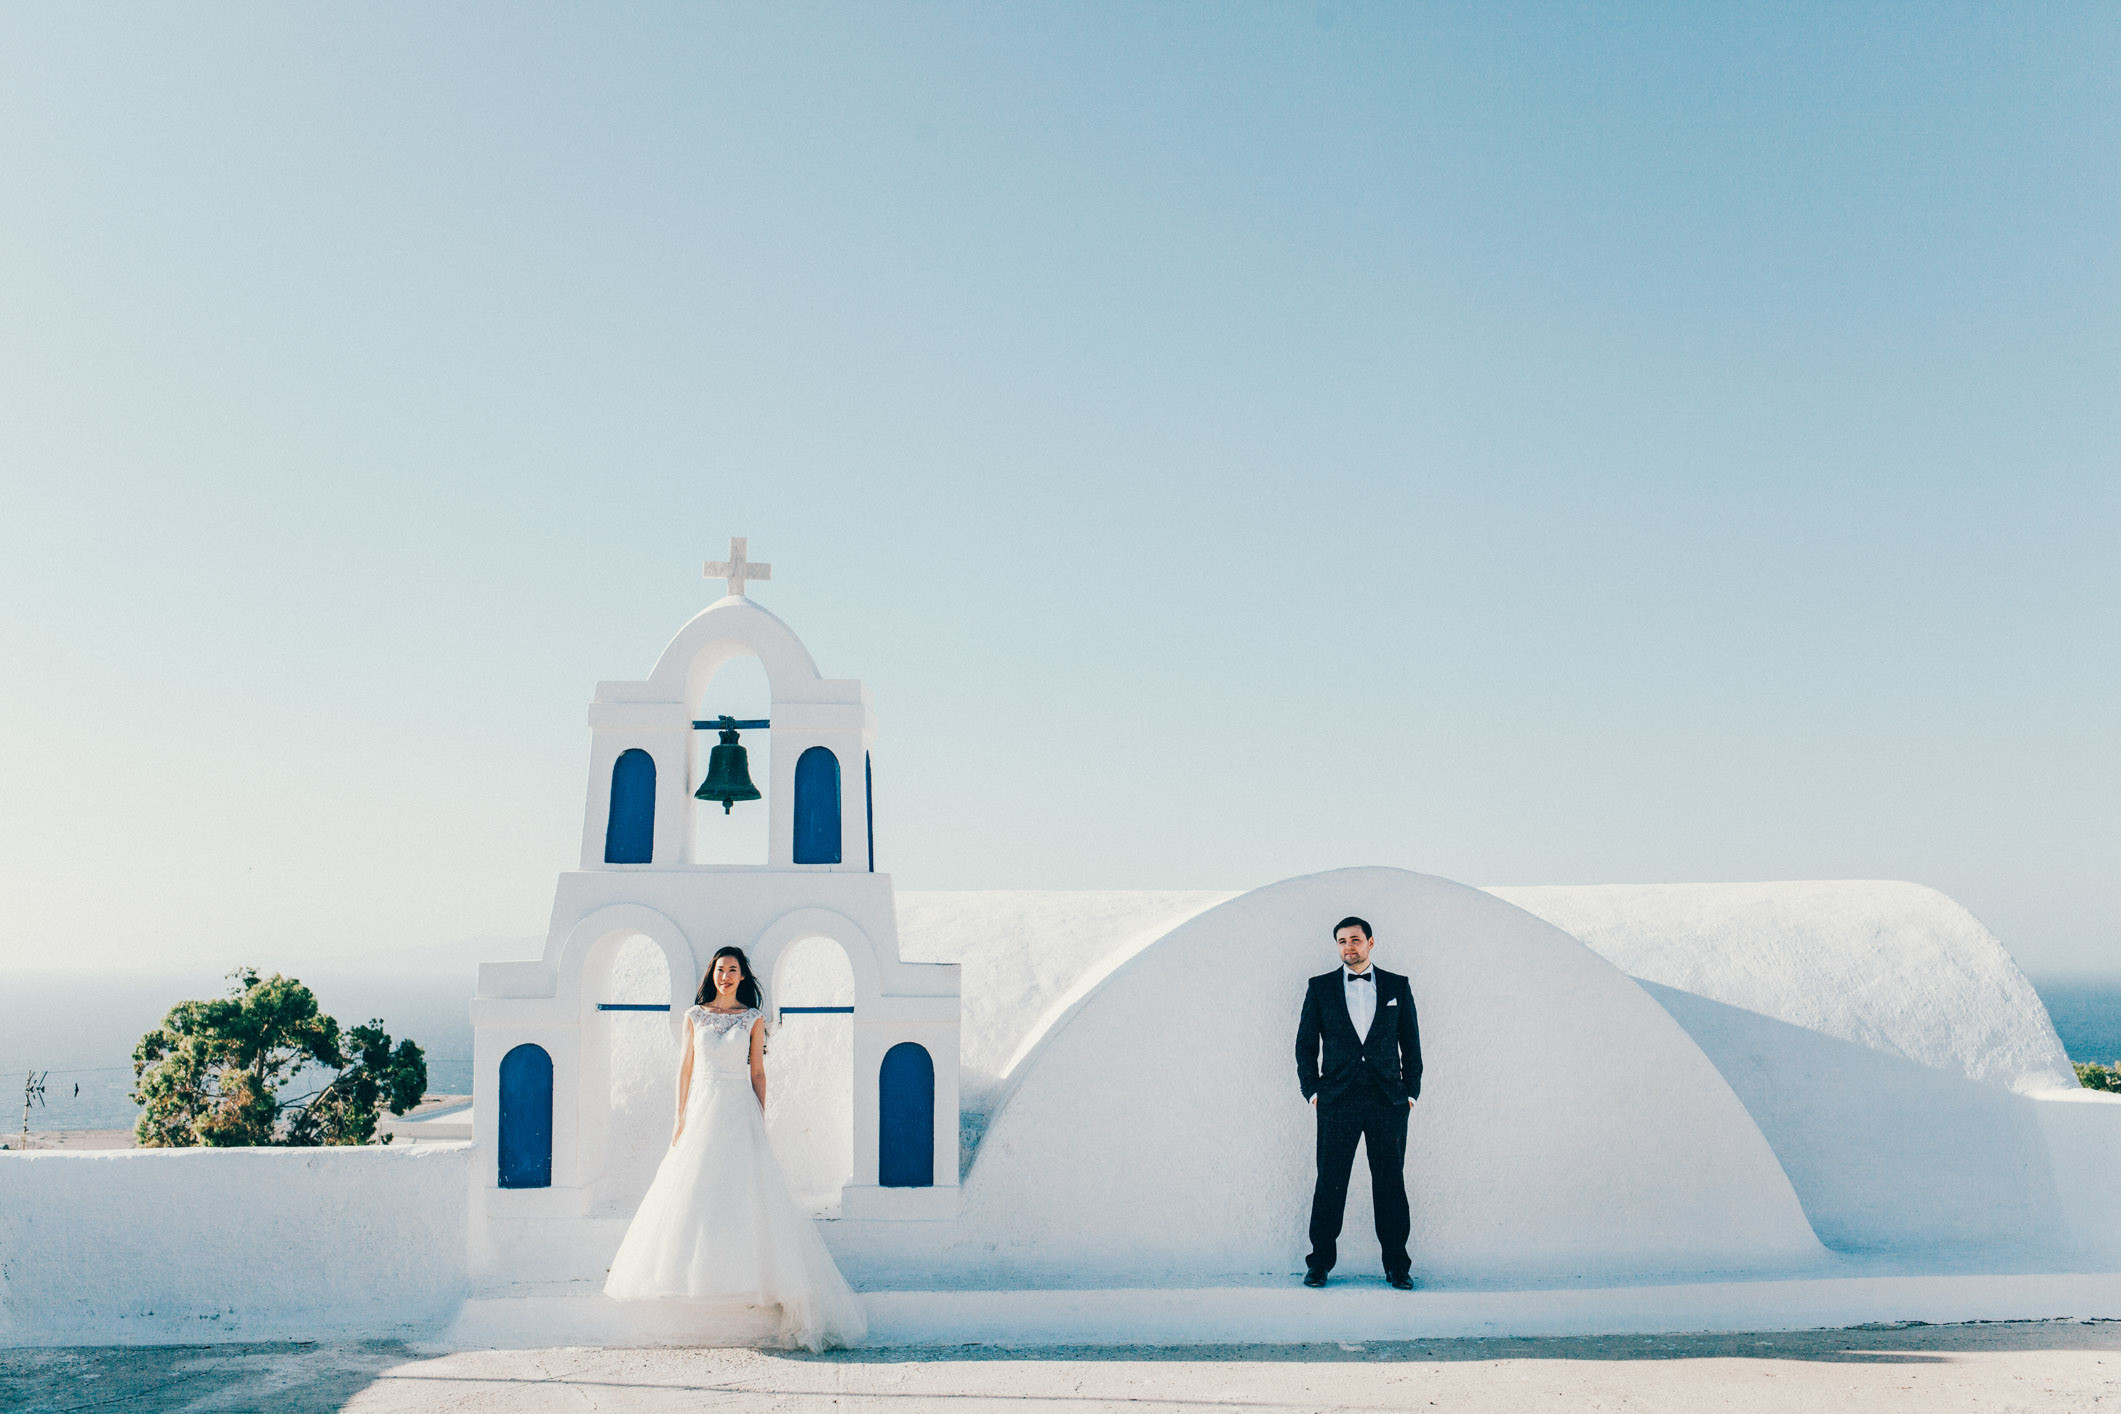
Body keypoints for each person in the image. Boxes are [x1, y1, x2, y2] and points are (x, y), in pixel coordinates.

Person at [604, 946, 867, 1350]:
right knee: (698, 1189)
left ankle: (754, 1277)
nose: (725, 976)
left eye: (733, 970)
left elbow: (758, 1072)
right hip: (703, 1107)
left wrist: (759, 1115)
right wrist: (679, 1117)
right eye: (720, 969)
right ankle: (696, 1276)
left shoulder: (753, 1018)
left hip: (739, 1107)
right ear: (711, 974)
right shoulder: (694, 1017)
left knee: (746, 1190)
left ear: (743, 976)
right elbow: (685, 1069)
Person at [1293, 915, 1423, 1289]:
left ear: (1370, 942)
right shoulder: (1320, 988)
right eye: (1341, 941)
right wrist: (1313, 1091)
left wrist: (1410, 1091)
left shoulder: (1398, 985)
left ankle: (1397, 1266)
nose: (1348, 946)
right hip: (1337, 1100)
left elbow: (1411, 1043)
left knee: (1390, 1185)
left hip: (1388, 1101)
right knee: (1330, 1182)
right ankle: (1319, 1264)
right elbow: (1305, 1045)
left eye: (1354, 939)